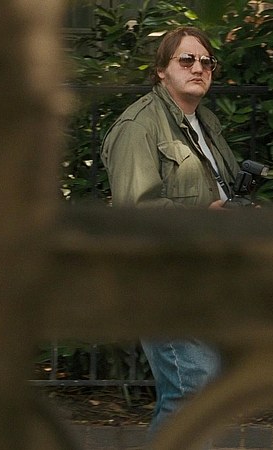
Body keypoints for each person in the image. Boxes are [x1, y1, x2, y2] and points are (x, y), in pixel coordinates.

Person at [100, 26, 239, 433]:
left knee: (201, 393)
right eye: (187, 60)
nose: (199, 68)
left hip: (202, 272)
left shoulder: (204, 121)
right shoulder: (138, 126)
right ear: (161, 69)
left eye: (206, 62)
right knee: (191, 389)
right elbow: (135, 213)